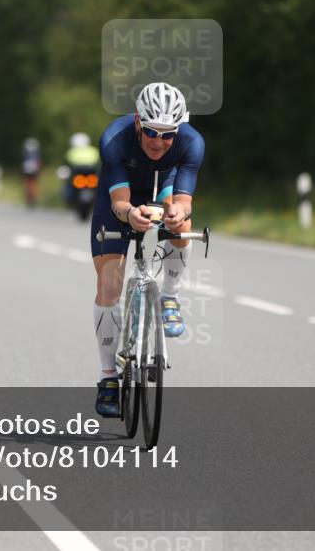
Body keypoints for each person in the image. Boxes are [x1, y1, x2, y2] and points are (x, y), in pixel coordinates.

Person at [90, 82, 204, 417]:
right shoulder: (114, 138)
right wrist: (130, 215)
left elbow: (183, 200)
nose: (158, 141)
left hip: (163, 185)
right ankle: (108, 378)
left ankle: (169, 296)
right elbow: (119, 202)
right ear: (139, 121)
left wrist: (177, 213)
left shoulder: (192, 142)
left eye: (167, 135)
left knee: (181, 224)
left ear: (178, 129)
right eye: (152, 131)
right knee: (109, 284)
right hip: (121, 196)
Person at [21, 137, 43, 208]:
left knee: (28, 183)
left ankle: (31, 196)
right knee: (33, 183)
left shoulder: (25, 154)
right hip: (34, 172)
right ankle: (34, 197)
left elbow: (22, 164)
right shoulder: (37, 154)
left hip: (28, 172)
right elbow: (40, 163)